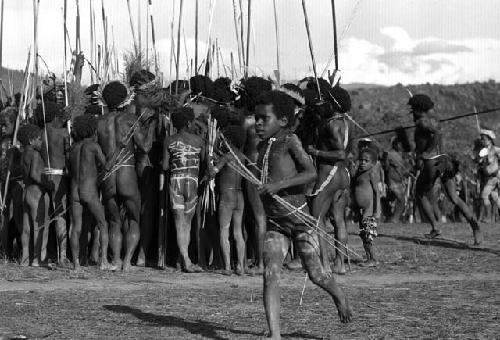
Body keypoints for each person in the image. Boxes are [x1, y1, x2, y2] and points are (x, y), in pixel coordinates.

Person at [254, 90, 352, 339]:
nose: (258, 123)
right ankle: (275, 334)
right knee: (270, 276)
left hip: (300, 222)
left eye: (264, 118)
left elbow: (309, 173)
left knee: (316, 274)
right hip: (277, 223)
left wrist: (279, 185)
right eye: (256, 118)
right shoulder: (261, 146)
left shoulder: (290, 141)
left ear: (283, 121)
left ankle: (338, 295)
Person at [410, 94, 482, 244]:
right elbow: (435, 133)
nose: (412, 112)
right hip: (445, 161)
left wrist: (426, 152)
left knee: (419, 194)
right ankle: (475, 226)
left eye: (413, 109)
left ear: (419, 108)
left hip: (432, 162)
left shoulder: (423, 122)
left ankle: (435, 228)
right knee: (454, 197)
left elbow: (436, 134)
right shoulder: (433, 119)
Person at [97, 81, 153, 271]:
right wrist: (151, 125)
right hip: (127, 172)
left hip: (108, 176)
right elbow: (145, 147)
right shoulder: (130, 119)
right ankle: (128, 262)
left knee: (114, 220)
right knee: (134, 218)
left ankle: (115, 261)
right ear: (125, 99)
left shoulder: (99, 122)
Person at [305, 84, 351, 275]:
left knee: (317, 219)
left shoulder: (331, 124)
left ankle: (324, 264)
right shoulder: (345, 122)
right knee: (338, 219)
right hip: (343, 175)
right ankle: (340, 263)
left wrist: (315, 151)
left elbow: (340, 153)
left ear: (334, 103)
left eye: (327, 101)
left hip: (329, 174)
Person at [162, 106, 205, 273]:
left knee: (180, 224)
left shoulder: (169, 140)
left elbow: (165, 166)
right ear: (188, 123)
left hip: (176, 182)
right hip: (192, 182)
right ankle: (186, 260)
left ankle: (184, 259)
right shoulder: (199, 141)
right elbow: (205, 165)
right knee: (187, 223)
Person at [69, 115, 111, 271]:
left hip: (74, 191)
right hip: (89, 191)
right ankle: (104, 261)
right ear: (92, 129)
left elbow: (70, 170)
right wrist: (119, 147)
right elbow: (106, 166)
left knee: (76, 227)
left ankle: (76, 264)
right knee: (103, 223)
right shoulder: (93, 146)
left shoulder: (73, 148)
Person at [35, 101, 71, 265]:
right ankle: (62, 256)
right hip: (58, 177)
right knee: (60, 215)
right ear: (56, 115)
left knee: (42, 216)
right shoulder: (63, 133)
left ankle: (40, 255)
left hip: (43, 176)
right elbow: (68, 155)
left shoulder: (40, 133)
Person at [212, 125, 246, 275]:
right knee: (238, 232)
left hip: (227, 197)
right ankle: (240, 266)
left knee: (224, 231)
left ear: (229, 140)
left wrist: (209, 161)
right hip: (239, 196)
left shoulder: (227, 157)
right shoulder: (242, 157)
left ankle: (227, 267)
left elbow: (212, 172)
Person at [19, 124, 51, 266]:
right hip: (36, 193)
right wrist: (47, 184)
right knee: (39, 226)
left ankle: (25, 258)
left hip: (25, 191)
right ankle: (38, 260)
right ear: (31, 140)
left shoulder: (23, 153)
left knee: (26, 228)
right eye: (39, 139)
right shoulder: (36, 154)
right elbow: (34, 174)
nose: (41, 142)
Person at [352, 147, 380, 267]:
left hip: (369, 210)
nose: (362, 163)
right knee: (363, 234)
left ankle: (373, 259)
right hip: (361, 210)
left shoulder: (371, 173)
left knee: (368, 235)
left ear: (373, 163)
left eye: (366, 161)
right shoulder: (359, 174)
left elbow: (376, 192)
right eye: (361, 160)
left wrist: (377, 210)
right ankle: (369, 258)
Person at [383, 134, 412, 223]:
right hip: (392, 181)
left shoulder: (403, 155)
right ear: (395, 144)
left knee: (395, 200)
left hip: (400, 181)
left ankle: (391, 217)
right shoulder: (390, 154)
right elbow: (386, 168)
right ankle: (394, 219)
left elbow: (404, 170)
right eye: (399, 144)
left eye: (402, 144)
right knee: (401, 199)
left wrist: (407, 172)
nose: (401, 146)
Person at [477, 129, 500, 222]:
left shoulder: (496, 150)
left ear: (490, 140)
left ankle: (488, 218)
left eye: (484, 139)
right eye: (481, 139)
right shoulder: (483, 151)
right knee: (495, 198)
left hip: (494, 177)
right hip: (488, 178)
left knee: (484, 196)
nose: (482, 141)